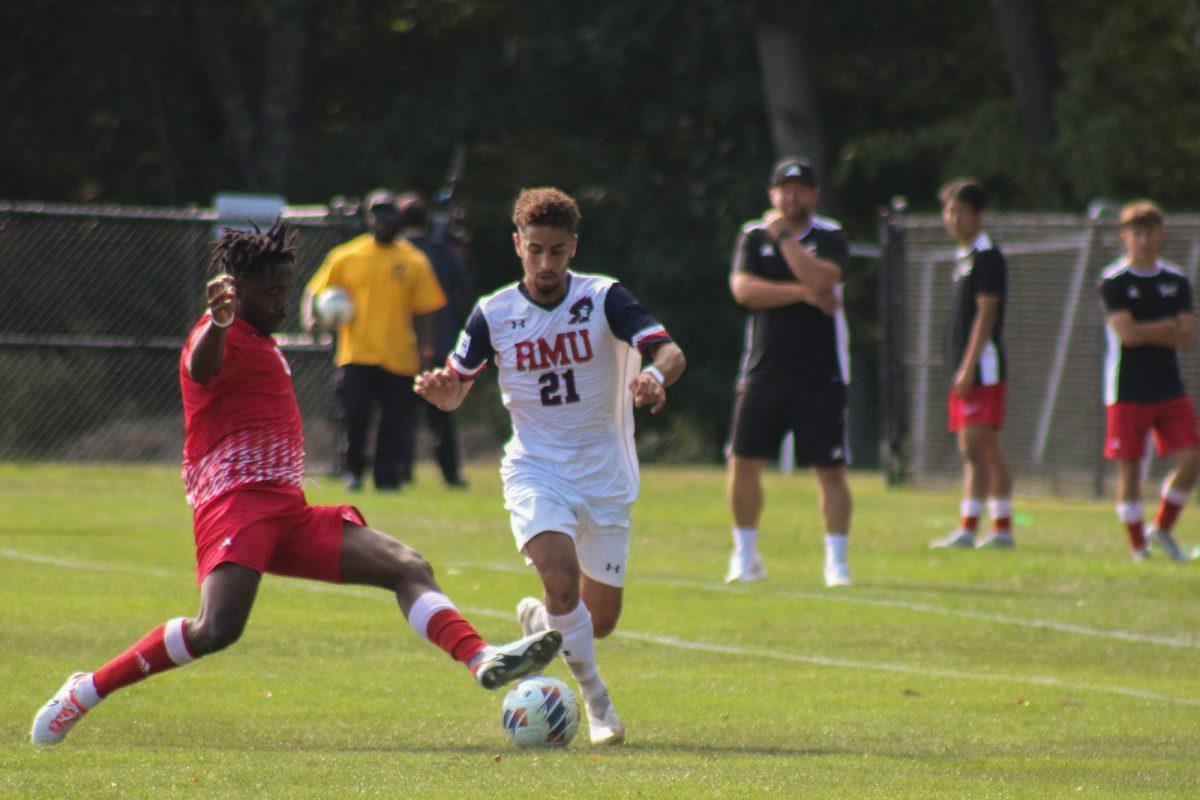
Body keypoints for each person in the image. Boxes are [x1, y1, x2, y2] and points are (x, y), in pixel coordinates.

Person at [30, 219, 561, 746]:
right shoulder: (220, 333)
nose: (283, 302)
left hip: (288, 510)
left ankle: (481, 656)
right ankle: (85, 691)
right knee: (216, 629)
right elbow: (200, 367)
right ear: (237, 293)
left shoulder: (262, 336)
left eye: (286, 290)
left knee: (407, 565)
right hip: (236, 507)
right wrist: (217, 323)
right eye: (272, 293)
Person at [414, 187, 685, 745]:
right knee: (560, 580)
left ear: (573, 247)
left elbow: (669, 351)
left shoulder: (603, 297)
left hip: (604, 474)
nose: (545, 264)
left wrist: (654, 377)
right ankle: (598, 703)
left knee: (597, 621)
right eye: (535, 249)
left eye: (557, 251)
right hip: (536, 469)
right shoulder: (494, 313)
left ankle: (543, 625)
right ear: (517, 244)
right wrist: (442, 392)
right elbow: (455, 390)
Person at [724, 157, 853, 588]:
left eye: (800, 189)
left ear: (814, 194)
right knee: (743, 462)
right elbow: (744, 290)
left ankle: (836, 561)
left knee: (830, 471)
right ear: (771, 194)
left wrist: (783, 236)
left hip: (821, 373)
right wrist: (804, 294)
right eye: (784, 189)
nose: (791, 197)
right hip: (764, 371)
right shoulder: (750, 234)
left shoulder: (830, 235)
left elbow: (823, 277)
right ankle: (744, 555)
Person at [302, 189, 447, 491]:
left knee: (393, 424)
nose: (382, 220)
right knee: (355, 416)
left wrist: (427, 349)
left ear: (398, 219)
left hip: (399, 356)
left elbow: (427, 310)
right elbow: (315, 293)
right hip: (355, 353)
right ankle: (353, 472)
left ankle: (387, 479)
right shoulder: (346, 256)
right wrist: (312, 319)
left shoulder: (413, 260)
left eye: (388, 214)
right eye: (376, 213)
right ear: (368, 219)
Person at [1098, 200, 1199, 561]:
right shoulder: (1114, 281)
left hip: (1169, 385)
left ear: (1161, 234)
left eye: (1150, 232)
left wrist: (1150, 330)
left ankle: (1162, 527)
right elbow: (1127, 336)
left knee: (1191, 458)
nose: (1143, 240)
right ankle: (1138, 545)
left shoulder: (1174, 280)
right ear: (1124, 236)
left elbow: (1188, 335)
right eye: (1136, 233)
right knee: (1130, 468)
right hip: (1127, 387)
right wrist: (1166, 327)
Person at [930, 179, 1016, 550]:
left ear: (979, 215)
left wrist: (968, 366)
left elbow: (987, 312)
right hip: (968, 367)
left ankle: (968, 528)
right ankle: (1002, 529)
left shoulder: (986, 256)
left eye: (961, 212)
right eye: (949, 211)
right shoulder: (964, 256)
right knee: (988, 449)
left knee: (974, 449)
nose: (953, 219)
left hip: (982, 367)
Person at [398, 192, 474, 488]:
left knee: (401, 418)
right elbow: (463, 291)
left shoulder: (396, 253)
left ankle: (401, 473)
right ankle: (451, 475)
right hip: (440, 345)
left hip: (400, 346)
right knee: (442, 414)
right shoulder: (441, 252)